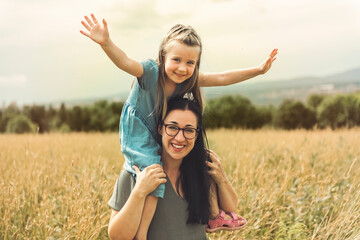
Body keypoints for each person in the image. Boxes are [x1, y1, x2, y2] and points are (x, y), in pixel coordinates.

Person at [80, 13, 277, 239]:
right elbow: (125, 62)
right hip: (139, 133)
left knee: (200, 159)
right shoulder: (150, 73)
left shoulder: (188, 82)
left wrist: (258, 71)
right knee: (154, 172)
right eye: (176, 60)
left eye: (190, 62)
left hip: (156, 134)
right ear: (163, 56)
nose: (182, 68)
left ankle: (214, 216)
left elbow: (222, 77)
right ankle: (141, 233)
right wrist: (106, 43)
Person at [107, 97, 246, 240]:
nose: (180, 138)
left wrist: (222, 179)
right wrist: (139, 192)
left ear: (196, 134)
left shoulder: (201, 170)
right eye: (172, 127)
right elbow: (117, 237)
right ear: (160, 128)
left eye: (189, 130)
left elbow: (230, 209)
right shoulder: (136, 174)